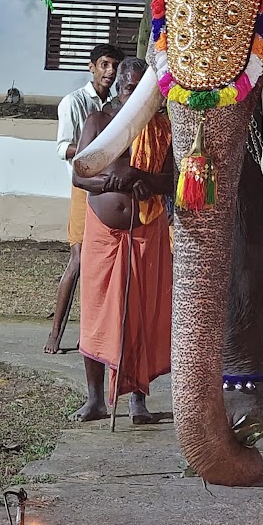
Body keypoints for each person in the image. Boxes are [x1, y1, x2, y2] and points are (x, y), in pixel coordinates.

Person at [73, 56, 173, 426]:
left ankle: (137, 402)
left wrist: (141, 178)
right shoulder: (99, 121)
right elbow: (81, 177)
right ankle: (96, 398)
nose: (136, 98)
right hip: (103, 230)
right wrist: (110, 183)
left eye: (144, 92)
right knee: (98, 312)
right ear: (119, 88)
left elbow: (172, 179)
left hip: (146, 227)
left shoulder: (162, 127)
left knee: (141, 313)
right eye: (130, 90)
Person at [44, 43, 123, 353]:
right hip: (84, 189)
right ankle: (54, 335)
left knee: (104, 267)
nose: (110, 71)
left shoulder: (118, 104)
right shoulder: (74, 102)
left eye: (114, 65)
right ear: (92, 67)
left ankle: (92, 335)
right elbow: (63, 148)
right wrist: (101, 150)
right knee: (77, 262)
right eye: (104, 64)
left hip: (111, 190)